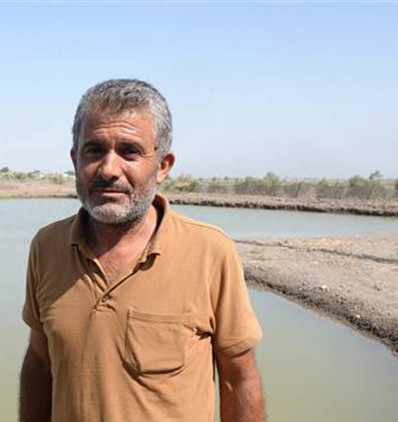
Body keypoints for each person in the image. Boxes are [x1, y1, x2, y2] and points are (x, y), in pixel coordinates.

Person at [19, 79, 264, 422]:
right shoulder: (47, 247)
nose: (108, 169)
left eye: (129, 151)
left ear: (163, 165)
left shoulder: (210, 251)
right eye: (94, 150)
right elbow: (39, 360)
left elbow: (238, 378)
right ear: (75, 159)